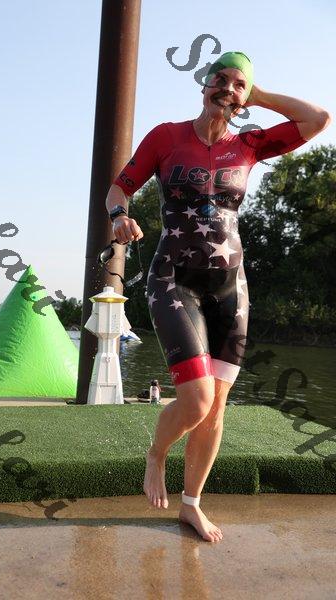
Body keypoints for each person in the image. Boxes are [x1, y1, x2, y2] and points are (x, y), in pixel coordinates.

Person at [105, 51, 331, 541]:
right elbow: (119, 188)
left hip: (231, 288)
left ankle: (191, 504)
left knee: (217, 406)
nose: (227, 88)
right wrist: (119, 216)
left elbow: (318, 119)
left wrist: (256, 93)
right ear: (203, 85)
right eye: (220, 79)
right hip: (174, 280)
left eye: (237, 85)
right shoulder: (166, 137)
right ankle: (156, 453)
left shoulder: (249, 144)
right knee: (197, 400)